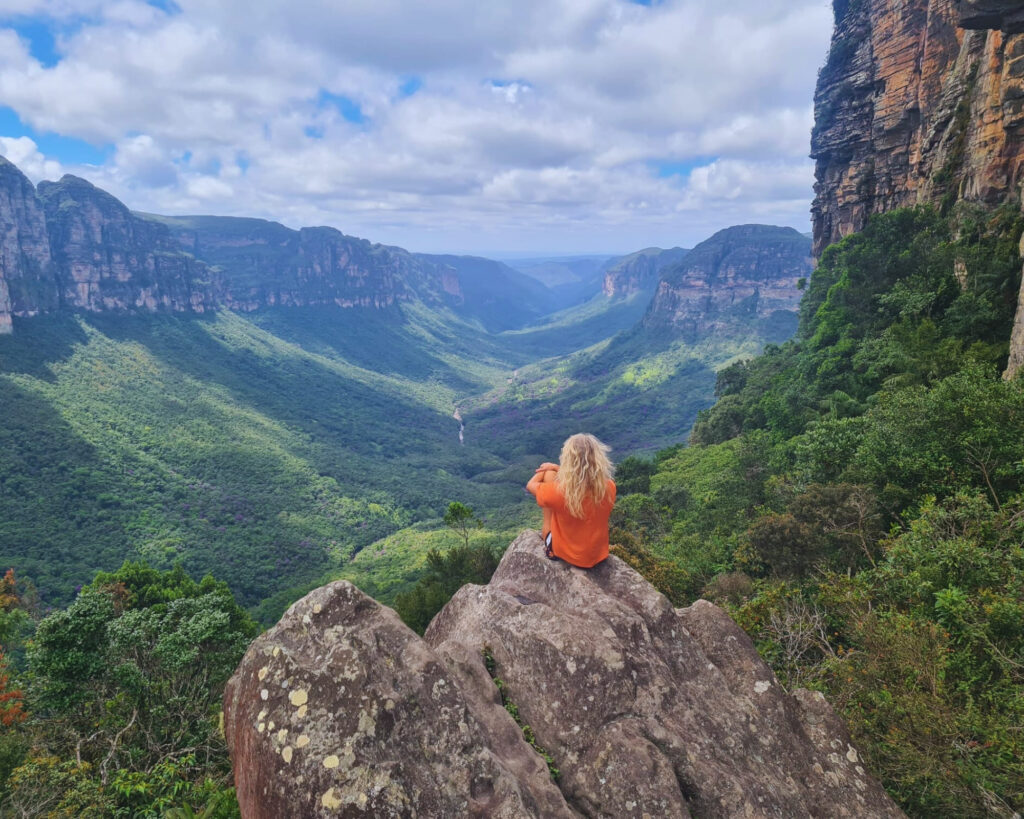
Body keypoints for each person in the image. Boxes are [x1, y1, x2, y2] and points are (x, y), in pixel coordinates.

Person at [525, 433, 616, 568]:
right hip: (597, 555)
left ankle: (549, 544)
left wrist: (543, 470)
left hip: (569, 555)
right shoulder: (609, 487)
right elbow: (583, 480)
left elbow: (530, 485)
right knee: (552, 478)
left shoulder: (559, 492)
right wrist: (557, 468)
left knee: (549, 479)